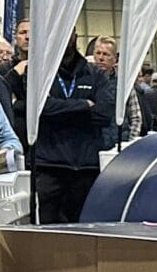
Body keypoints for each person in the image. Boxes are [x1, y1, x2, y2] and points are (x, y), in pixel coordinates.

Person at [28, 41, 111, 224]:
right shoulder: (40, 73)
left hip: (85, 167)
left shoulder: (94, 74)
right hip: (49, 167)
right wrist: (83, 105)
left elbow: (104, 115)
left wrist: (60, 112)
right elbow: (40, 109)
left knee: (84, 230)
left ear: (75, 36)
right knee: (47, 231)